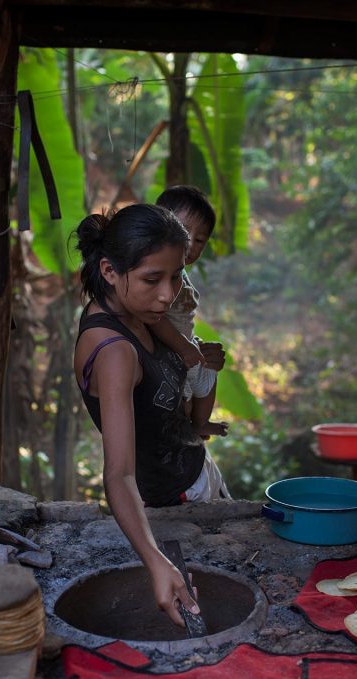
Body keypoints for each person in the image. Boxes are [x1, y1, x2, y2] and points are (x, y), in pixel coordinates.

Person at [73, 203, 230, 628]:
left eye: (177, 275)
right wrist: (156, 561)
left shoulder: (143, 312)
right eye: (152, 279)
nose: (168, 294)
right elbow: (119, 474)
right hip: (170, 502)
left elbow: (176, 369)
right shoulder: (114, 351)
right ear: (108, 270)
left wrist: (193, 354)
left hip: (196, 470)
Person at [151, 186, 228, 440]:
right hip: (170, 348)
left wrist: (191, 347)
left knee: (209, 372)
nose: (189, 244)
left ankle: (201, 422)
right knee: (183, 392)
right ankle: (192, 423)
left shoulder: (181, 276)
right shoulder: (152, 275)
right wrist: (183, 347)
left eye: (199, 240)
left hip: (185, 344)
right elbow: (154, 318)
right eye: (183, 232)